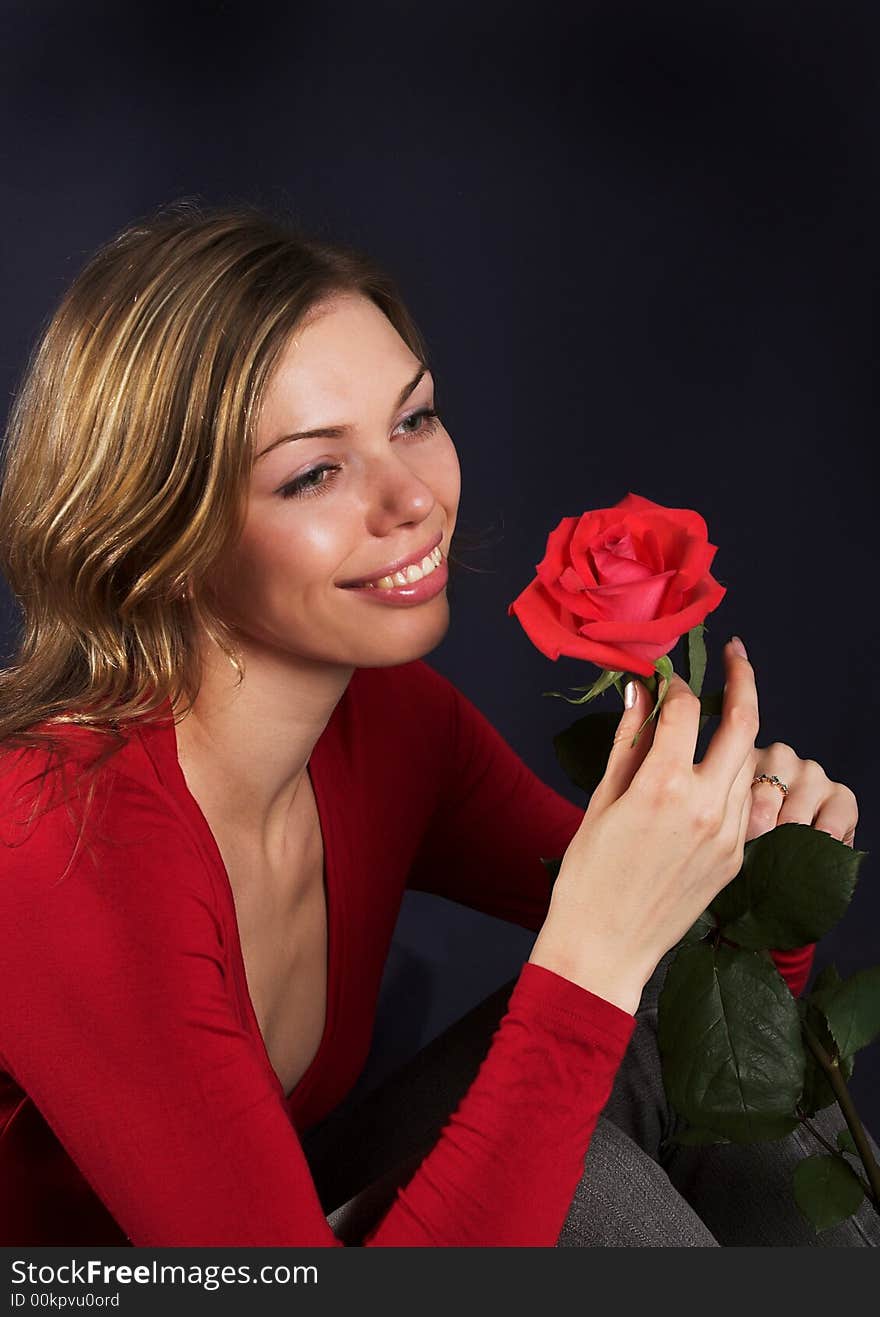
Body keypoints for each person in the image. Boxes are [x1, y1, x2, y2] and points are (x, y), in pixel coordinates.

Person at [0, 202, 876, 1247]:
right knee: (584, 1169)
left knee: (657, 1034)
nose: (413, 496)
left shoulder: (389, 725)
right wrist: (599, 944)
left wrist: (757, 874)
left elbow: (696, 968)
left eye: (413, 418)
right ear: (162, 537)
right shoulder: (61, 840)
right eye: (314, 471)